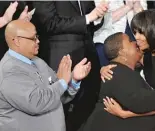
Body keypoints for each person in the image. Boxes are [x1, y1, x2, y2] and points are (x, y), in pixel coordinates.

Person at [82, 32, 155, 131]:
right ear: (122, 52)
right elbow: (143, 101)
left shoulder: (122, 71)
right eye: (130, 41)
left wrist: (124, 114)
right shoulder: (114, 73)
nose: (135, 43)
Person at [0, 20, 91, 131]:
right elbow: (36, 103)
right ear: (17, 41)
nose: (38, 41)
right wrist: (62, 82)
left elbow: (57, 96)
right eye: (33, 38)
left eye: (37, 36)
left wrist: (73, 80)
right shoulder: (9, 72)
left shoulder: (38, 61)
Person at [30, 2, 108, 130]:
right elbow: (49, 23)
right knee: (61, 107)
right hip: (61, 55)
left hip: (88, 53)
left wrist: (98, 16)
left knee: (89, 103)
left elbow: (90, 19)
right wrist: (88, 18)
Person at [94, 0, 147, 66]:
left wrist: (137, 5)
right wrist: (128, 6)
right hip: (107, 36)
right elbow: (98, 22)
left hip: (134, 31)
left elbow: (144, 21)